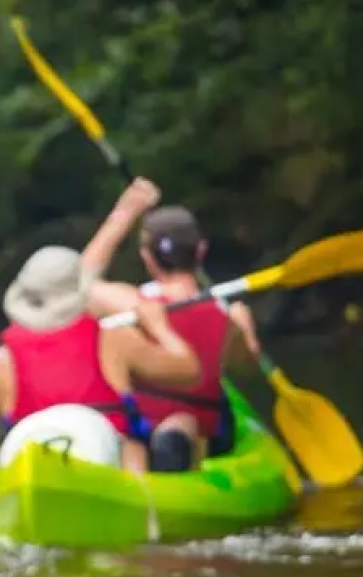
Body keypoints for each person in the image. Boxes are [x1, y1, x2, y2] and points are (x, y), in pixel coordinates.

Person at [0, 183, 202, 473]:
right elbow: (188, 371)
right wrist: (159, 327)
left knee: (2, 456)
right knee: (147, 441)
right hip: (112, 476)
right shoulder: (113, 340)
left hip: (38, 481)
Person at [82, 184, 262, 471]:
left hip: (143, 438)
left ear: (146, 257)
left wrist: (125, 212)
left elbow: (80, 283)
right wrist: (246, 330)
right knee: (196, 419)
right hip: (208, 434)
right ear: (201, 250)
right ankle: (181, 441)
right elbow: (246, 365)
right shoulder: (226, 314)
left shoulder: (130, 304)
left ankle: (167, 444)